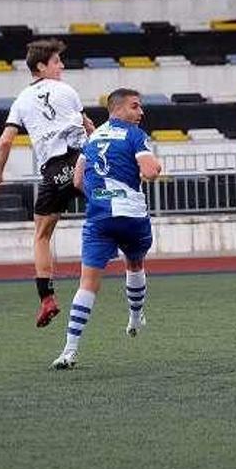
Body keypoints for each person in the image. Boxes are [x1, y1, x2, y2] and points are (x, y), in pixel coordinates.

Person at [51, 89, 161, 369]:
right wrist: (155, 165)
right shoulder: (135, 135)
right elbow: (150, 171)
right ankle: (135, 317)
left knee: (87, 284)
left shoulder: (93, 139)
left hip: (99, 217)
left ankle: (69, 350)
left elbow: (77, 181)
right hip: (132, 216)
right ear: (119, 109)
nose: (141, 112)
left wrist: (99, 193)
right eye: (136, 106)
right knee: (135, 264)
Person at [0, 39, 95, 328]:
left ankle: (46, 298)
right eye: (57, 62)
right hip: (81, 161)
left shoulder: (21, 101)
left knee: (41, 235)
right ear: (41, 66)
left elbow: (6, 140)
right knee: (107, 203)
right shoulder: (67, 91)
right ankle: (124, 253)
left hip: (53, 172)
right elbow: (88, 127)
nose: (62, 66)